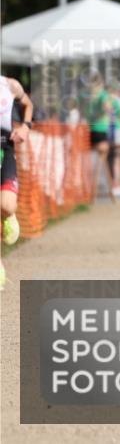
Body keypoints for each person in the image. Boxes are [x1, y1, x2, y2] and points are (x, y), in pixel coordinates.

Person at [0, 75, 33, 290]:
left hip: (5, 148)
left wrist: (25, 127)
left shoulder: (9, 85)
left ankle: (9, 216)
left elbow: (28, 104)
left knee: (6, 205)